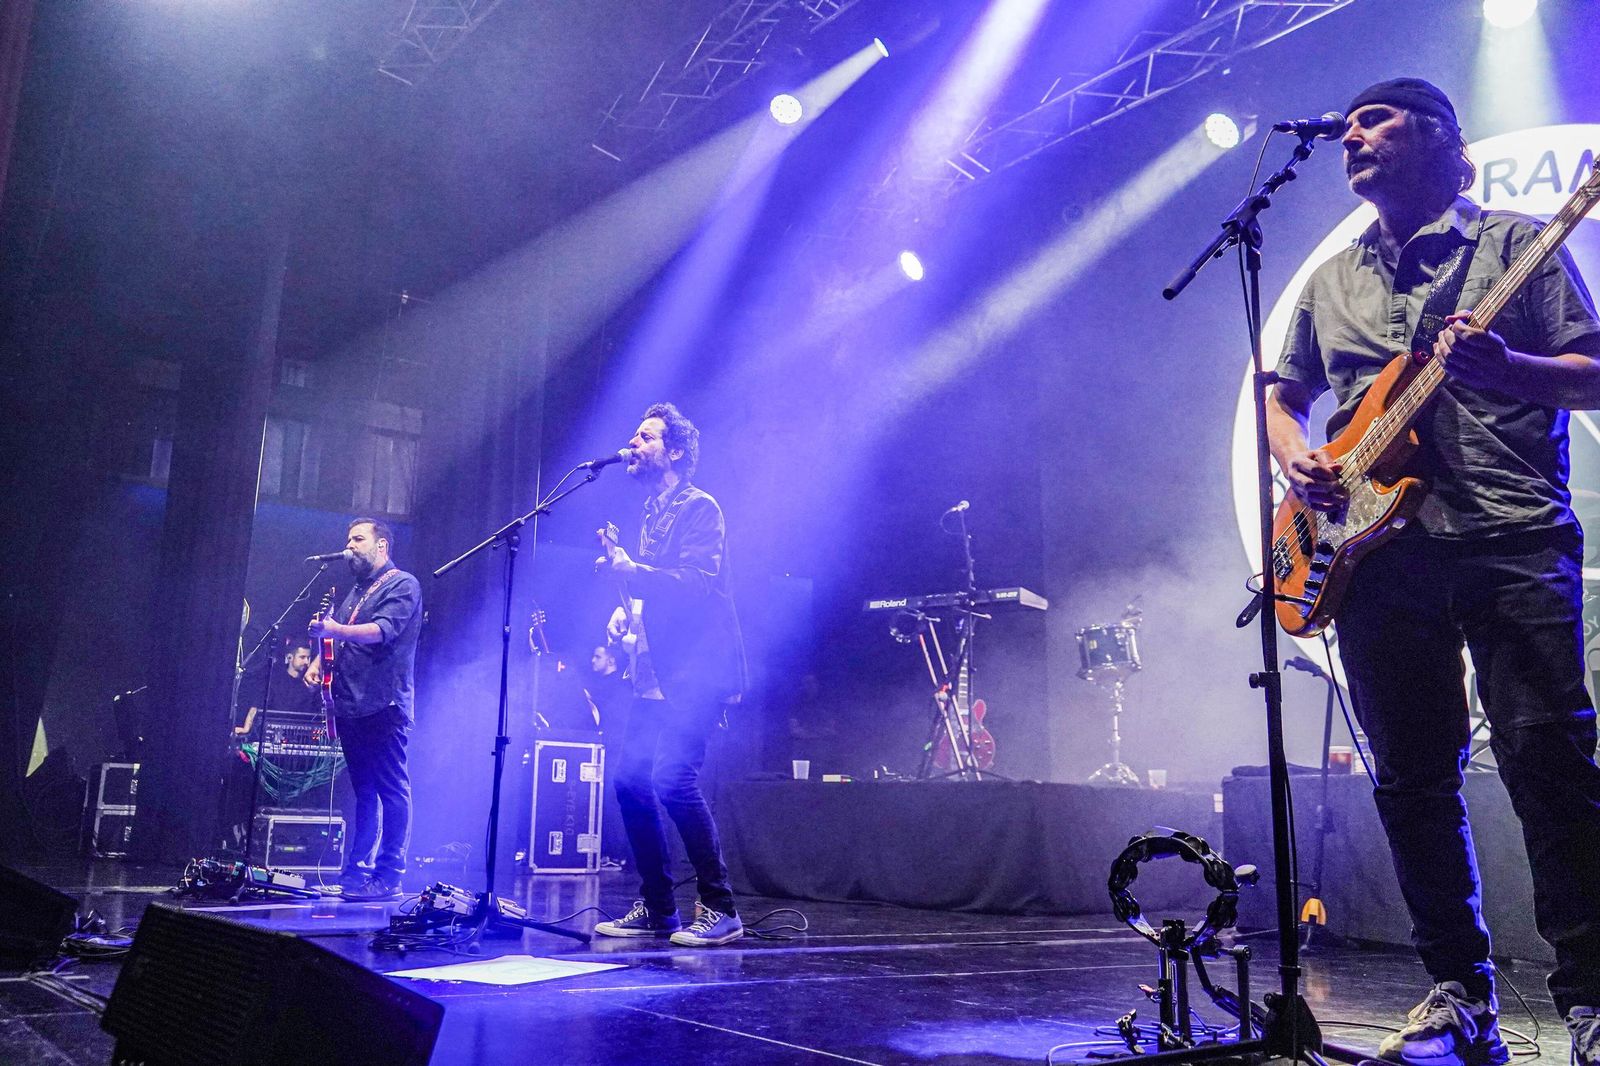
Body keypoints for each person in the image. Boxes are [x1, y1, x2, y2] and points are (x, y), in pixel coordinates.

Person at [1266, 78, 1600, 1066]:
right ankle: (1457, 990)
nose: (1352, 134)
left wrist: (1513, 371)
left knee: (1551, 767)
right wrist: (1293, 454)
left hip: (1507, 532)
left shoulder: (1517, 242)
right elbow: (1278, 394)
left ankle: (1589, 998)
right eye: (1349, 124)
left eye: (1377, 119)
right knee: (1413, 782)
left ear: (1446, 143)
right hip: (1375, 556)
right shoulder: (1329, 281)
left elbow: (1594, 367)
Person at [591, 402, 747, 947]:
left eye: (645, 437)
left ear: (674, 451)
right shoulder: (651, 514)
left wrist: (635, 572)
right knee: (632, 781)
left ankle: (722, 907)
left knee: (672, 780)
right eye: (633, 436)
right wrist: (626, 604)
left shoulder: (700, 507)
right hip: (659, 671)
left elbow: (697, 584)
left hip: (698, 670)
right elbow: (654, 591)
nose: (632, 444)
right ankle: (659, 909)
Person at [307, 517, 422, 903]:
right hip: (352, 705)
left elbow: (380, 631)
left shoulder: (402, 584)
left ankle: (390, 874)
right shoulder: (356, 591)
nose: (349, 545)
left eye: (358, 539)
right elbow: (341, 637)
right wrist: (317, 662)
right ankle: (356, 874)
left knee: (391, 790)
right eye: (348, 539)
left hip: (385, 704)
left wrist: (334, 630)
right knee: (363, 792)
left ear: (382, 546)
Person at [236, 640, 320, 737]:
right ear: (289, 657)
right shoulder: (275, 680)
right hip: (273, 735)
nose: (306, 662)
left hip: (301, 737)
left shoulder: (310, 684)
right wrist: (246, 728)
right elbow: (256, 705)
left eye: (308, 658)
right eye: (302, 657)